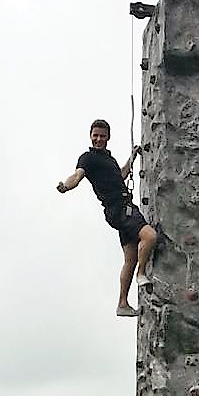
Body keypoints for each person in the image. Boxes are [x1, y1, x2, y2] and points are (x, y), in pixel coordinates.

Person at [57, 119, 157, 317]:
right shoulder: (88, 158)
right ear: (90, 136)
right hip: (119, 209)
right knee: (150, 237)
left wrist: (132, 158)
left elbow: (119, 176)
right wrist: (66, 186)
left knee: (130, 258)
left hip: (119, 211)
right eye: (95, 135)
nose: (98, 139)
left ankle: (122, 304)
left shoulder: (108, 160)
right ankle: (141, 274)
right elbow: (77, 176)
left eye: (102, 136)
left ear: (108, 137)